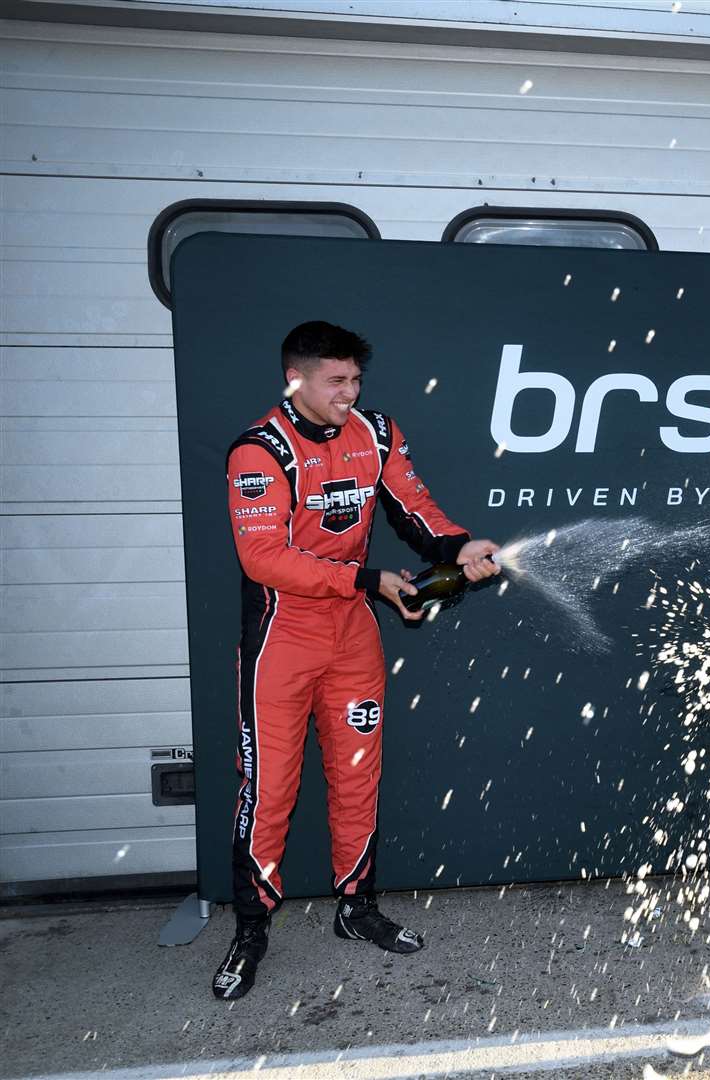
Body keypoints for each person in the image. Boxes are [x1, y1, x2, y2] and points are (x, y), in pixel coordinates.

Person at [213, 321, 502, 1001]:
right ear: (296, 379)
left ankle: (356, 908)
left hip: (351, 637)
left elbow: (413, 507)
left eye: (356, 380)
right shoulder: (259, 451)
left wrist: (454, 547)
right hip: (280, 641)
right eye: (336, 381)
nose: (351, 393)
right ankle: (250, 930)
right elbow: (262, 558)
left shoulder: (375, 433)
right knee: (268, 792)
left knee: (356, 777)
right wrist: (367, 581)